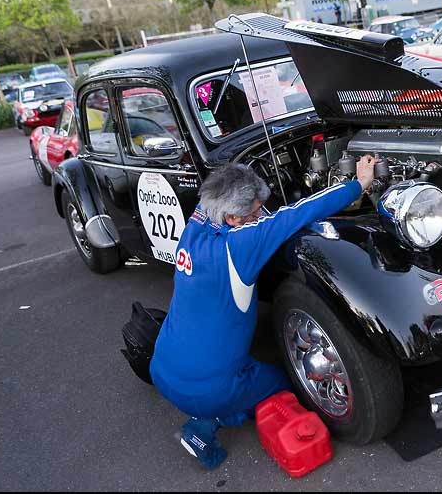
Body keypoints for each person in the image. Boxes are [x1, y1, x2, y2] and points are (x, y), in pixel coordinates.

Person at [150, 156, 377, 469]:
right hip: (208, 389)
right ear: (232, 218)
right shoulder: (240, 245)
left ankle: (210, 409)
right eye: (256, 212)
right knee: (291, 382)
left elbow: (211, 195)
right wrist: (359, 183)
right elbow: (299, 213)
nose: (261, 215)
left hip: (161, 366)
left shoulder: (194, 227)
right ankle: (203, 425)